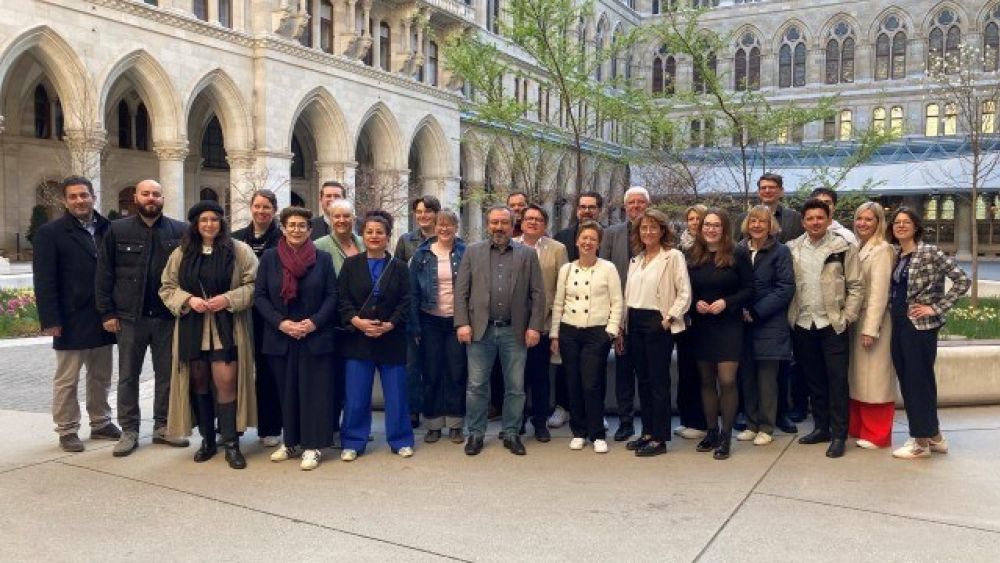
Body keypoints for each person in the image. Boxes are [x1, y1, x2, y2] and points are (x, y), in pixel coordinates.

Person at [159, 201, 258, 469]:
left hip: (227, 326)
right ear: (195, 224)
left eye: (214, 220)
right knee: (198, 382)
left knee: (226, 380)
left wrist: (227, 298)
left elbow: (253, 285)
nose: (209, 225)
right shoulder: (181, 253)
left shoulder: (239, 251)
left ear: (221, 223)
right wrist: (189, 300)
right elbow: (167, 287)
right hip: (193, 327)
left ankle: (231, 443)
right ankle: (207, 441)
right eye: (203, 220)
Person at [96, 179, 190, 457]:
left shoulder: (180, 231)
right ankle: (129, 430)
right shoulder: (116, 229)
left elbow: (186, 274)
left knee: (166, 376)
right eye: (146, 194)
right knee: (128, 376)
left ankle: (162, 426)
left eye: (156, 194)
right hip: (129, 318)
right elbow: (104, 273)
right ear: (136, 197)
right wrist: (107, 312)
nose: (151, 198)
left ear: (163, 198)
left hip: (166, 318)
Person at [33, 176, 119, 452]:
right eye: (73, 197)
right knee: (67, 378)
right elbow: (44, 280)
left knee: (101, 375)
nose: (80, 201)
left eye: (84, 195)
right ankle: (67, 428)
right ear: (65, 201)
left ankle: (101, 422)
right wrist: (51, 320)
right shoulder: (50, 233)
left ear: (93, 196)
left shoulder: (110, 228)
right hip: (69, 318)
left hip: (103, 315)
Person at [456, 205, 545, 456]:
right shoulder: (473, 252)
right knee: (476, 386)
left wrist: (534, 327)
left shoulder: (527, 254)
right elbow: (461, 291)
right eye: (494, 222)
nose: (499, 227)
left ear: (512, 223)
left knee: (515, 386)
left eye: (504, 223)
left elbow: (538, 294)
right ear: (487, 224)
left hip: (514, 331)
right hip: (479, 330)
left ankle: (511, 433)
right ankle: (475, 433)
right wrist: (462, 323)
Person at [256, 207, 339, 470]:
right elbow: (260, 296)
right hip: (281, 336)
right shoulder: (270, 258)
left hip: (314, 335)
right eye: (291, 225)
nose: (296, 229)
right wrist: (281, 323)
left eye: (302, 225)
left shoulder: (323, 259)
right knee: (287, 391)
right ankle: (290, 441)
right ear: (282, 228)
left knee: (314, 392)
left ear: (310, 230)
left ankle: (313, 446)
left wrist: (313, 322)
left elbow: (332, 296)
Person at [888, 208, 970, 459]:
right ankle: (935, 437)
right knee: (911, 380)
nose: (901, 226)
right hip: (899, 323)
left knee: (917, 383)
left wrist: (935, 308)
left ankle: (921, 443)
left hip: (920, 327)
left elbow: (962, 280)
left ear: (916, 226)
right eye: (897, 222)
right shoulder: (898, 254)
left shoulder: (929, 251)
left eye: (906, 222)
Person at [787, 198, 863, 459]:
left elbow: (856, 286)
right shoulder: (793, 248)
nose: (815, 222)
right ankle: (821, 428)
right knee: (814, 380)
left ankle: (839, 434)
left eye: (820, 217)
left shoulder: (842, 247)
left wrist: (847, 317)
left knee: (837, 381)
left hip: (832, 323)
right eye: (810, 218)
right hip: (803, 322)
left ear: (829, 219)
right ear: (803, 222)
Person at [339, 211, 415, 460]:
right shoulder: (350, 265)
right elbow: (342, 299)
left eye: (379, 232)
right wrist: (357, 321)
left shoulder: (400, 267)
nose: (374, 236)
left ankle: (401, 439)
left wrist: (391, 324)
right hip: (358, 338)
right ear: (363, 235)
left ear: (388, 236)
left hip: (391, 338)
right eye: (369, 232)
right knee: (356, 394)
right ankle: (353, 441)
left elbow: (407, 301)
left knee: (396, 395)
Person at [623, 209, 691, 457]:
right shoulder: (636, 260)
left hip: (658, 321)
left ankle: (660, 438)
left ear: (663, 230)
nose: (648, 232)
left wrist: (669, 317)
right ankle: (648, 432)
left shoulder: (672, 257)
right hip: (635, 321)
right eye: (643, 228)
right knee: (643, 380)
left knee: (658, 381)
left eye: (653, 227)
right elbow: (629, 295)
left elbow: (684, 292)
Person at [550, 221, 623, 454]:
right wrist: (555, 334)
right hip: (569, 331)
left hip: (597, 332)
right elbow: (558, 303)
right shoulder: (567, 269)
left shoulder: (608, 268)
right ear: (576, 241)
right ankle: (579, 432)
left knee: (592, 383)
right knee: (573, 382)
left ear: (599, 243)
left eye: (592, 238)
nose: (587, 242)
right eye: (584, 238)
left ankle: (597, 433)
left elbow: (617, 302)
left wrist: (611, 331)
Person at [687, 209, 753, 460]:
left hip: (729, 324)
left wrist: (727, 302)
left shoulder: (737, 253)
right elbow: (685, 290)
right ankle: (711, 431)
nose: (710, 229)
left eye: (716, 225)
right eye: (707, 225)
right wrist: (695, 304)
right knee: (706, 380)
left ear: (724, 228)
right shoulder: (693, 255)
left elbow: (750, 289)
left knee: (726, 380)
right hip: (702, 326)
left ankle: (726, 435)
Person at [736, 206, 795, 447]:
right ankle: (751, 424)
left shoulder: (780, 252)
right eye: (753, 221)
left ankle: (766, 426)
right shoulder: (738, 249)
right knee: (746, 376)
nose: (757, 225)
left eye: (762, 221)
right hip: (740, 323)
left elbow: (785, 288)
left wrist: (757, 312)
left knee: (767, 378)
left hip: (769, 323)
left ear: (771, 225)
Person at [409, 209, 468, 444]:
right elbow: (412, 292)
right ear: (434, 227)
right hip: (429, 320)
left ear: (456, 227)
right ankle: (433, 423)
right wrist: (414, 326)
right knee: (431, 373)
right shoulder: (421, 255)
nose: (444, 229)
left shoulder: (465, 252)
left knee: (456, 372)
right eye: (440, 225)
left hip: (457, 321)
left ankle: (455, 424)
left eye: (449, 225)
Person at [232, 189, 283, 448]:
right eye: (257, 206)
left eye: (267, 207)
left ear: (274, 211)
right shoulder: (235, 238)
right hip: (240, 312)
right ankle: (234, 426)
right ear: (250, 208)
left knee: (267, 371)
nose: (261, 211)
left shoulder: (282, 239)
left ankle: (270, 426)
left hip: (270, 315)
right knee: (236, 369)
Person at [599, 186, 650, 441]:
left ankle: (650, 423)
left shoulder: (657, 232)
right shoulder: (611, 234)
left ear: (647, 205)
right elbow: (604, 273)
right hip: (621, 312)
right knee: (623, 370)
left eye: (641, 202)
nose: (636, 206)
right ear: (625, 206)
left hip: (649, 314)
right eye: (631, 203)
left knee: (648, 371)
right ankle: (626, 422)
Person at [549, 191, 603, 428]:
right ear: (577, 209)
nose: (587, 211)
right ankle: (564, 407)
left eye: (592, 207)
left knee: (594, 372)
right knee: (565, 368)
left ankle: (595, 413)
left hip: (597, 315)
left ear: (599, 209)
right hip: (569, 314)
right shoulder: (562, 237)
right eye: (583, 206)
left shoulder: (605, 237)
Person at [515, 204, 568, 442]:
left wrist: (555, 327)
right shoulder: (510, 245)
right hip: (512, 325)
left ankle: (539, 422)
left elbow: (562, 287)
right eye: (528, 218)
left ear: (544, 225)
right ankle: (517, 422)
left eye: (537, 219)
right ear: (521, 222)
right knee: (516, 377)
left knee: (539, 377)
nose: (532, 222)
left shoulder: (557, 249)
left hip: (543, 324)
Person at [315, 198, 365, 441]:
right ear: (329, 219)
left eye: (346, 216)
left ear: (353, 219)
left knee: (355, 380)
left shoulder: (364, 243)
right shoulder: (319, 246)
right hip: (332, 322)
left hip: (359, 323)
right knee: (332, 378)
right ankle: (331, 428)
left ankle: (354, 428)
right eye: (337, 217)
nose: (342, 221)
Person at [848, 202, 896, 450]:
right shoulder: (858, 246)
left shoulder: (882, 250)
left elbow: (879, 292)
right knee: (858, 377)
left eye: (869, 219)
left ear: (879, 223)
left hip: (873, 320)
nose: (862, 224)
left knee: (874, 378)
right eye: (859, 219)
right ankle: (858, 426)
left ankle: (877, 434)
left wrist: (871, 328)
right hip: (857, 318)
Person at [395, 195, 442, 429]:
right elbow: (397, 274)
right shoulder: (406, 240)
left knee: (434, 363)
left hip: (437, 310)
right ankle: (413, 409)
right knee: (411, 365)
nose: (423, 216)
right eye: (419, 212)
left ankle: (434, 408)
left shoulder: (446, 239)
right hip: (410, 309)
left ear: (437, 213)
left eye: (428, 211)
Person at [673, 204, 709, 440]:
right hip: (684, 317)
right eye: (691, 218)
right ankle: (687, 419)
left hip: (704, 317)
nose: (695, 222)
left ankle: (701, 421)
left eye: (699, 218)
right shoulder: (679, 247)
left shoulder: (710, 248)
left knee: (701, 372)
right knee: (685, 370)